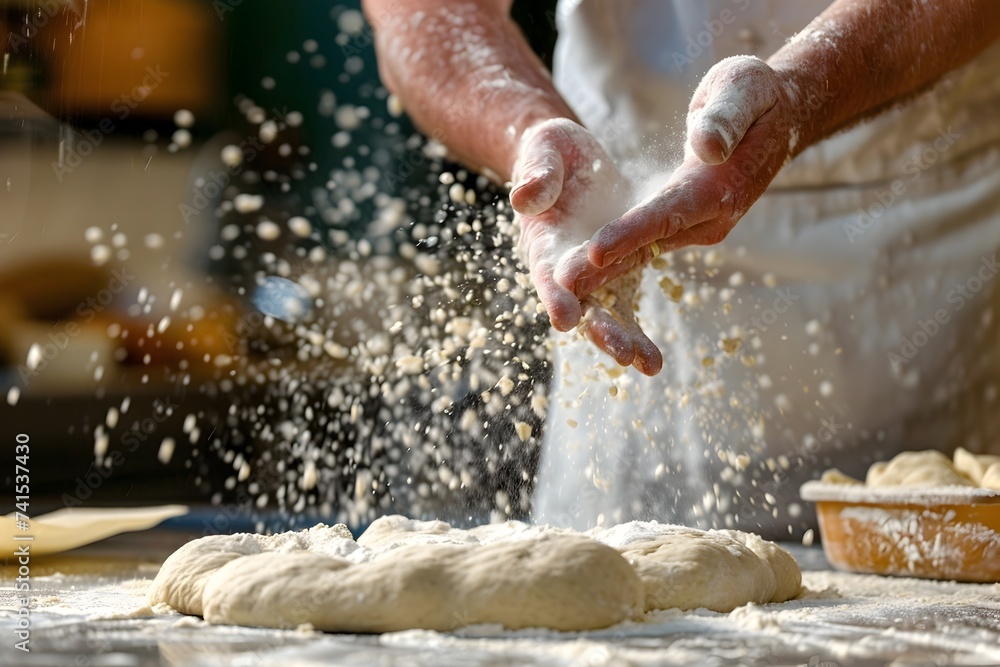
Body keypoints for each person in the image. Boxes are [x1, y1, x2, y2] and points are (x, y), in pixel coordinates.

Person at [363, 0, 1000, 536]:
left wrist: (804, 90)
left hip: (920, 238)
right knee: (614, 614)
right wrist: (525, 129)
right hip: (618, 225)